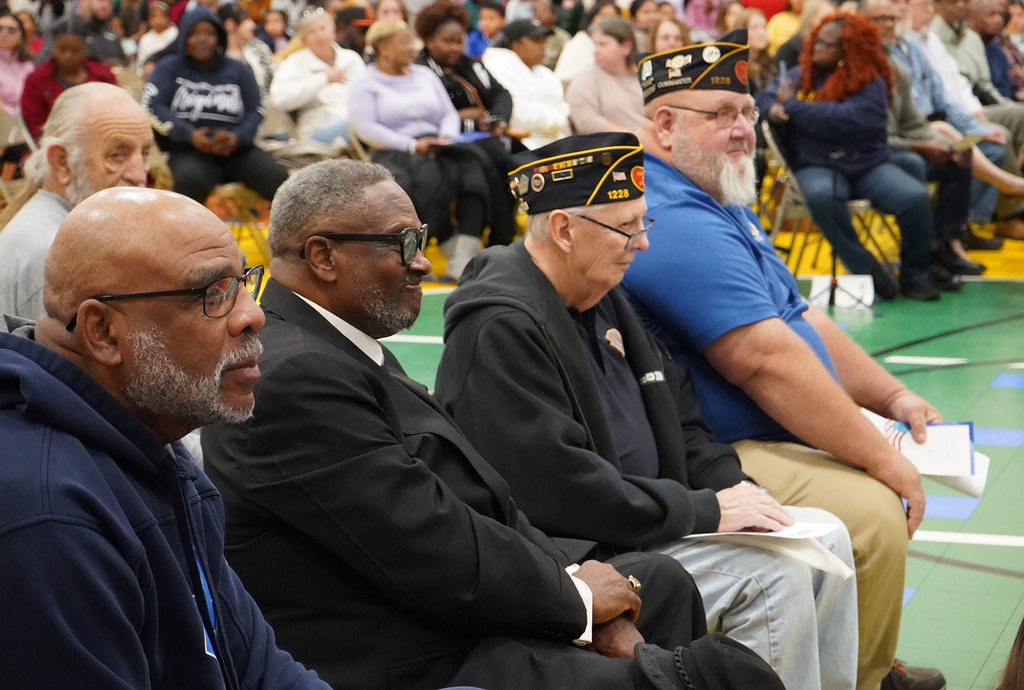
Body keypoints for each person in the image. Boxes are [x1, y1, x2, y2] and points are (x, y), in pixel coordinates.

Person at [200, 157, 785, 690]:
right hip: (412, 654)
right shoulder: (298, 375)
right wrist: (578, 603)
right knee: (714, 677)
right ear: (324, 256)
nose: (422, 262)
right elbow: (429, 545)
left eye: (421, 238)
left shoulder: (338, 344)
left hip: (447, 614)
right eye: (404, 243)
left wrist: (572, 585)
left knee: (662, 584)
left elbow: (478, 507)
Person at [435, 132, 858, 690]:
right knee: (771, 577)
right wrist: (705, 510)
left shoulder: (603, 295)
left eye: (643, 222)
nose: (643, 242)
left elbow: (685, 424)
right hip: (584, 554)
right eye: (627, 227)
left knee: (827, 535)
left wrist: (739, 492)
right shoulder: (501, 327)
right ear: (563, 229)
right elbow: (559, 489)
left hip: (651, 522)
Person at [623, 36, 948, 690]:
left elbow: (800, 316)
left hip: (763, 430)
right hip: (712, 449)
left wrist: (891, 397)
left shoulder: (716, 194)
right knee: (874, 511)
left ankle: (864, 665)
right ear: (665, 125)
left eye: (747, 111)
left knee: (874, 492)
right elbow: (763, 359)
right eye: (721, 114)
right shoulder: (671, 211)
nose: (744, 129)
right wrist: (883, 458)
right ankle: (860, 678)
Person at [0, 185, 332, 689]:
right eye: (213, 293)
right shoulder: (47, 516)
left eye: (243, 281)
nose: (253, 314)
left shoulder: (151, 438)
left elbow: (258, 670)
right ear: (103, 331)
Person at [757, 12, 952, 299]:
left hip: (867, 164)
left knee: (914, 197)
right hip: (816, 164)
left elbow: (850, 119)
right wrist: (773, 108)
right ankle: (864, 267)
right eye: (817, 41)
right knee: (822, 195)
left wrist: (794, 108)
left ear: (848, 49)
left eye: (828, 44)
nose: (818, 47)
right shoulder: (802, 74)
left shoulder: (870, 80)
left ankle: (915, 274)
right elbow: (765, 96)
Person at [347, 19, 491, 279]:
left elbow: (448, 113)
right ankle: (436, 248)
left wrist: (447, 136)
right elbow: (366, 128)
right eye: (404, 41)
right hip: (395, 148)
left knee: (474, 167)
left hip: (438, 144)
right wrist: (412, 145)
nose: (412, 47)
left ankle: (464, 255)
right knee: (426, 177)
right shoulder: (365, 82)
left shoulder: (425, 74)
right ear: (383, 47)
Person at [0, 83, 150, 319]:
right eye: (117, 155)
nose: (140, 175)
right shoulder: (57, 256)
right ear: (62, 162)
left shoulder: (59, 229)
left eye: (144, 153)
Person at [861, 0, 982, 277]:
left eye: (892, 18)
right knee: (912, 163)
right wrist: (919, 146)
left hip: (897, 145)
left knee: (956, 161)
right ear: (861, 23)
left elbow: (913, 121)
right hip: (870, 157)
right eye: (881, 19)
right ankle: (922, 258)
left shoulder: (896, 65)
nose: (889, 25)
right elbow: (873, 138)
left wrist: (948, 145)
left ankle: (947, 244)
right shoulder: (857, 67)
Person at [142, 7, 288, 203]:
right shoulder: (169, 67)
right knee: (189, 182)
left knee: (278, 178)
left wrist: (237, 137)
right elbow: (153, 106)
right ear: (184, 37)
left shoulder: (239, 70)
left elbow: (256, 110)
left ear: (219, 37)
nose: (202, 39)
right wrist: (189, 134)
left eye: (209, 33)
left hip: (237, 150)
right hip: (188, 150)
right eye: (194, 33)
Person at [415, 0, 517, 246]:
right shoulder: (419, 71)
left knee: (517, 161)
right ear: (429, 40)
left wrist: (499, 119)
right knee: (493, 161)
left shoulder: (470, 64)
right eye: (447, 41)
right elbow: (431, 115)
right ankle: (496, 237)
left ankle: (504, 234)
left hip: (486, 135)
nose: (455, 48)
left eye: (459, 41)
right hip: (447, 141)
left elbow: (501, 94)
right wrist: (467, 121)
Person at [268, 9, 365, 145]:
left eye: (323, 29)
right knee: (358, 124)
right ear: (303, 40)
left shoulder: (351, 59)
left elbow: (367, 94)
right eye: (312, 32)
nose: (320, 36)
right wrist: (323, 79)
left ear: (333, 32)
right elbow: (279, 99)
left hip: (357, 122)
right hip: (318, 131)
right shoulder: (293, 64)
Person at [483, 18, 571, 150]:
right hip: (523, 143)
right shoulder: (498, 65)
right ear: (516, 43)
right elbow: (513, 111)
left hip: (558, 140)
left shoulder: (546, 73)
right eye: (536, 41)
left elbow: (564, 110)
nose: (543, 47)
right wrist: (554, 119)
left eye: (544, 41)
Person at [20, 31, 116, 141]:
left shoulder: (104, 76)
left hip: (101, 138)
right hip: (52, 141)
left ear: (85, 48)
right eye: (62, 49)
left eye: (75, 50)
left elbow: (114, 115)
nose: (68, 55)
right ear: (53, 47)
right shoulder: (36, 79)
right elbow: (34, 125)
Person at [567, 15, 644, 134]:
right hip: (614, 143)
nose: (596, 51)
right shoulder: (585, 79)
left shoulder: (644, 75)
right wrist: (631, 137)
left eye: (603, 44)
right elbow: (586, 121)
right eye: (595, 44)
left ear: (626, 47)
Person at [38, 0, 125, 66]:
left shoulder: (110, 31)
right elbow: (44, 65)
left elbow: (124, 62)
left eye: (110, 2)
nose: (105, 6)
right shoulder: (63, 28)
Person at [0, 8, 33, 114]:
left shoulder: (29, 66)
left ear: (20, 38)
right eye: (0, 29)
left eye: (11, 30)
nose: (4, 33)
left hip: (26, 117)